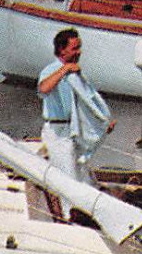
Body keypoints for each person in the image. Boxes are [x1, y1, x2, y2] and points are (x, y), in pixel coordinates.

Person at [37, 28, 116, 218]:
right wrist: (64, 70)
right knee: (68, 178)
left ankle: (88, 213)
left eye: (79, 47)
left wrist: (103, 122)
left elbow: (88, 101)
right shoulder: (51, 70)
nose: (79, 52)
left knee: (83, 175)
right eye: (75, 48)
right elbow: (43, 89)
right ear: (62, 50)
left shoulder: (76, 74)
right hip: (57, 131)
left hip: (74, 130)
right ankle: (68, 217)